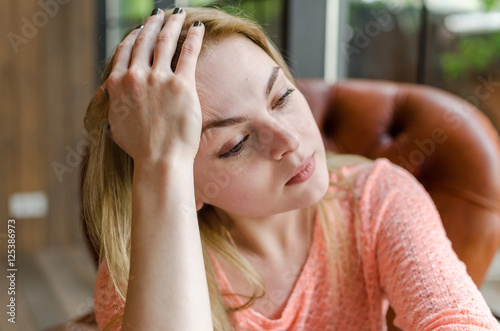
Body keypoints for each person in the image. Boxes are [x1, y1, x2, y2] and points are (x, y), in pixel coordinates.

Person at [83, 6, 499, 330]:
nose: (290, 141)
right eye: (236, 144)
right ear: (181, 186)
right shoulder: (135, 267)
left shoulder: (377, 197)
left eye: (282, 97)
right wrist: (160, 163)